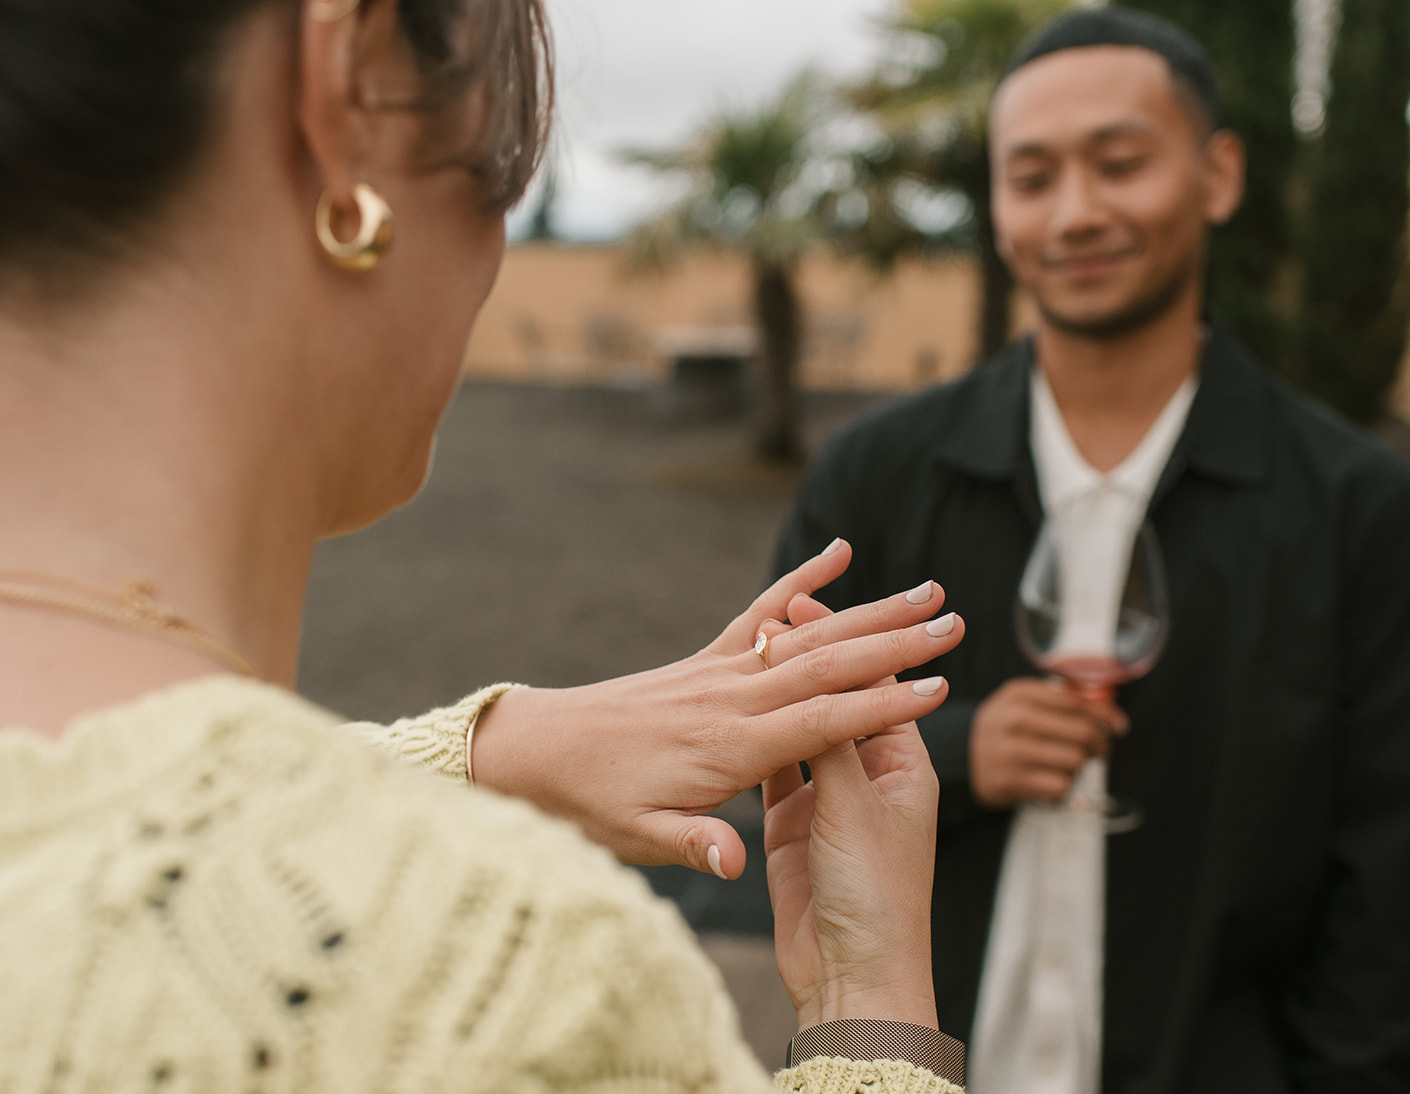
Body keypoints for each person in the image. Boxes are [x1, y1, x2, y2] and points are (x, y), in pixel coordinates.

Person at [0, 0, 971, 1089]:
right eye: (499, 171)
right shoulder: (508, 982)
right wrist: (870, 1001)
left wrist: (481, 750)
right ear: (353, 93)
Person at [773, 9, 1410, 1094]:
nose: (1075, 212)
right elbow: (775, 751)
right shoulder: (872, 479)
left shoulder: (1356, 511)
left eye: (1119, 163)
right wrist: (962, 751)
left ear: (1219, 175)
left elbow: (1392, 868)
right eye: (1032, 175)